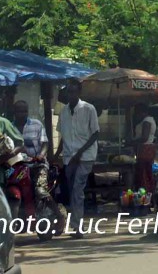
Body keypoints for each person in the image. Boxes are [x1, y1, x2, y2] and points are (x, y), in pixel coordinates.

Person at [57, 78, 99, 238]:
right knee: (71, 189)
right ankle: (75, 222)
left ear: (79, 92)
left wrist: (79, 153)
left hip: (85, 156)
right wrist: (56, 155)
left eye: (73, 91)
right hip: (68, 157)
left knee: (77, 189)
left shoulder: (89, 109)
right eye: (69, 91)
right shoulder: (63, 111)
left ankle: (77, 226)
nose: (71, 95)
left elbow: (95, 134)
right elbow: (64, 136)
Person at [12, 99, 58, 209]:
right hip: (18, 168)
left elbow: (45, 143)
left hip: (37, 165)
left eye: (24, 111)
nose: (22, 114)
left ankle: (58, 214)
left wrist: (41, 155)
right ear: (14, 112)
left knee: (40, 191)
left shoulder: (36, 125)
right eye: (19, 111)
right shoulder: (9, 127)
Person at [129, 102, 157, 193]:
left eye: (137, 113)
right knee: (147, 173)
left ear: (142, 112)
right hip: (148, 149)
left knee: (143, 173)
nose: (136, 115)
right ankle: (149, 193)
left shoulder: (147, 121)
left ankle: (145, 193)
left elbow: (144, 137)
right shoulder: (149, 119)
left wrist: (132, 142)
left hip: (145, 149)